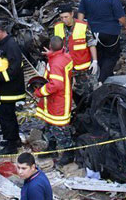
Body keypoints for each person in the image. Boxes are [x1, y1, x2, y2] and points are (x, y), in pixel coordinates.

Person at [77, 0, 126, 83]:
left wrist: (81, 30)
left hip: (92, 32)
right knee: (111, 56)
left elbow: (80, 15)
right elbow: (120, 17)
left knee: (99, 56)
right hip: (109, 32)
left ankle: (102, 77)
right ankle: (102, 81)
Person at [34, 36, 75, 166]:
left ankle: (68, 154)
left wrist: (40, 92)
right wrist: (52, 55)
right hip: (57, 100)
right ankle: (52, 148)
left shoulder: (56, 63)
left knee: (59, 128)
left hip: (57, 101)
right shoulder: (64, 56)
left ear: (51, 47)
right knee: (50, 126)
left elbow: (56, 84)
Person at [0, 20, 25, 154]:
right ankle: (13, 139)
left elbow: (14, 69)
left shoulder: (11, 46)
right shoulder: (2, 44)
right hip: (4, 89)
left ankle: (11, 146)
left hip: (10, 89)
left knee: (6, 117)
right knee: (8, 116)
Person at [53, 4, 98, 105]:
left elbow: (91, 44)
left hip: (82, 67)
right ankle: (78, 110)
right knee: (68, 92)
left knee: (88, 92)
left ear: (72, 14)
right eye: (61, 17)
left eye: (66, 17)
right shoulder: (57, 27)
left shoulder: (83, 26)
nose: (64, 20)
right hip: (66, 67)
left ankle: (89, 109)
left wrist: (95, 61)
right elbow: (55, 46)